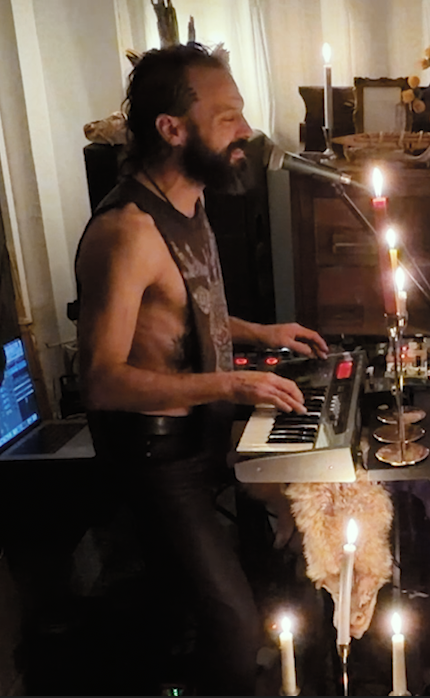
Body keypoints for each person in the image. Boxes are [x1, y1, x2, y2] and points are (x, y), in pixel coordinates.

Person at [72, 43, 328, 696]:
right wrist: (231, 382)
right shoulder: (127, 232)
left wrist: (263, 334)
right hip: (157, 460)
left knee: (276, 564)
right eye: (227, 117)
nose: (246, 130)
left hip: (204, 438)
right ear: (172, 128)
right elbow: (100, 379)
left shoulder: (192, 204)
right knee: (232, 626)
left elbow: (188, 312)